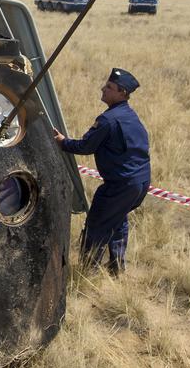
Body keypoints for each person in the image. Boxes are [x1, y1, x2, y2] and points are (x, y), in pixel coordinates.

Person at [53, 67, 151, 275]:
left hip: (120, 186)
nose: (103, 89)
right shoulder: (130, 115)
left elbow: (85, 147)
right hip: (140, 183)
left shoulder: (108, 120)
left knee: (97, 224)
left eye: (109, 87)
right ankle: (117, 268)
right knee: (117, 220)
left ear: (122, 93)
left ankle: (88, 271)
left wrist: (62, 142)